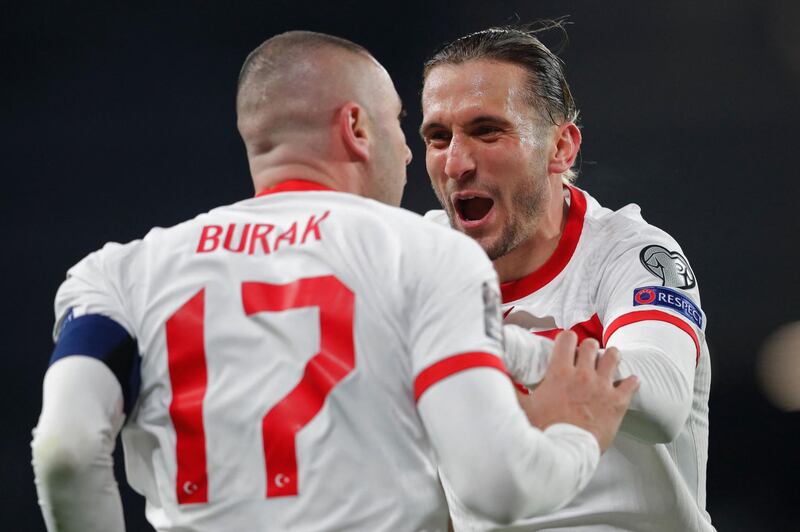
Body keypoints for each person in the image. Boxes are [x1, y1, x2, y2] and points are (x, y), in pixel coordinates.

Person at [31, 31, 638, 532]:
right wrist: (575, 432)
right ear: (356, 126)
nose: (409, 154)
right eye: (406, 125)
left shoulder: (118, 274)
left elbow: (63, 451)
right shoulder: (425, 254)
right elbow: (496, 488)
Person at [420, 26, 714, 532]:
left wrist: (484, 344)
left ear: (561, 147)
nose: (456, 163)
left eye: (487, 131)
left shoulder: (633, 253)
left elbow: (662, 399)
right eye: (438, 137)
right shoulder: (417, 261)